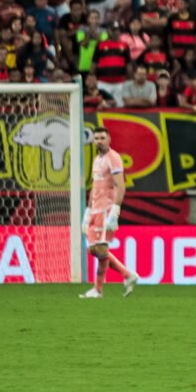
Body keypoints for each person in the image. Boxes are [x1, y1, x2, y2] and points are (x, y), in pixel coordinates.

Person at [79, 127, 139, 299]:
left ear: (109, 139)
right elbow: (95, 186)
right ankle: (127, 275)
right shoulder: (97, 159)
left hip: (106, 209)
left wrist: (115, 211)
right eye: (96, 138)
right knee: (95, 250)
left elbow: (120, 185)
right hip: (96, 209)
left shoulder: (113, 158)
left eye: (102, 137)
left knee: (99, 248)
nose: (99, 140)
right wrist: (87, 211)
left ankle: (98, 290)